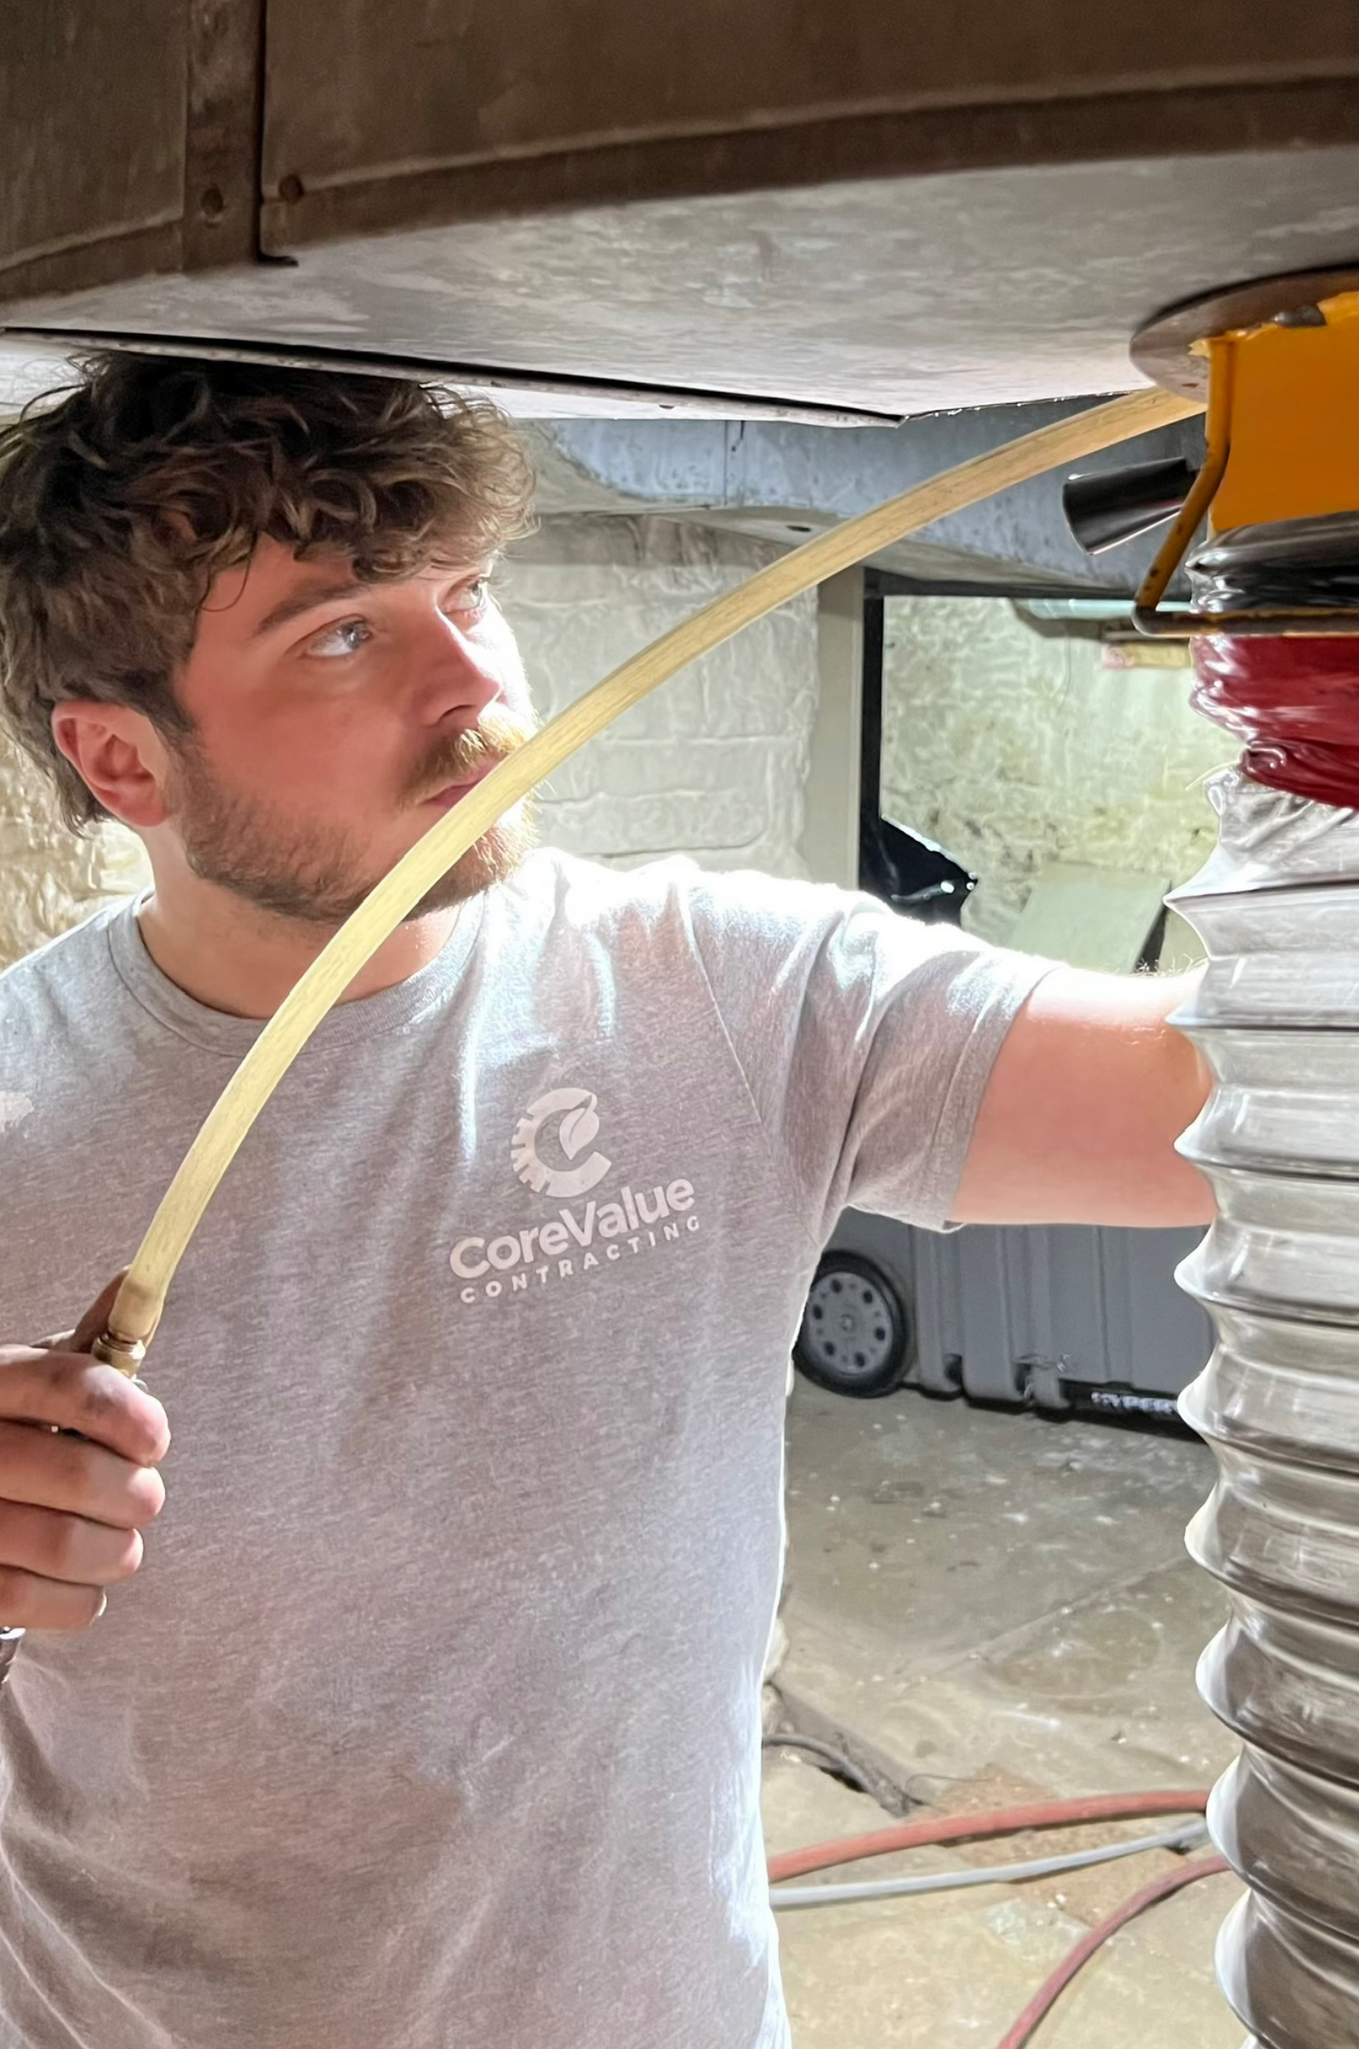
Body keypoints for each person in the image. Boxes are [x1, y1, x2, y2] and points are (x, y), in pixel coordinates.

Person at [0, 357, 1214, 2049]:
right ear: (121, 761)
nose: (478, 685)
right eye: (343, 633)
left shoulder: (715, 991)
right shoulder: (14, 1116)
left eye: (468, 595)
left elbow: (1218, 1101)